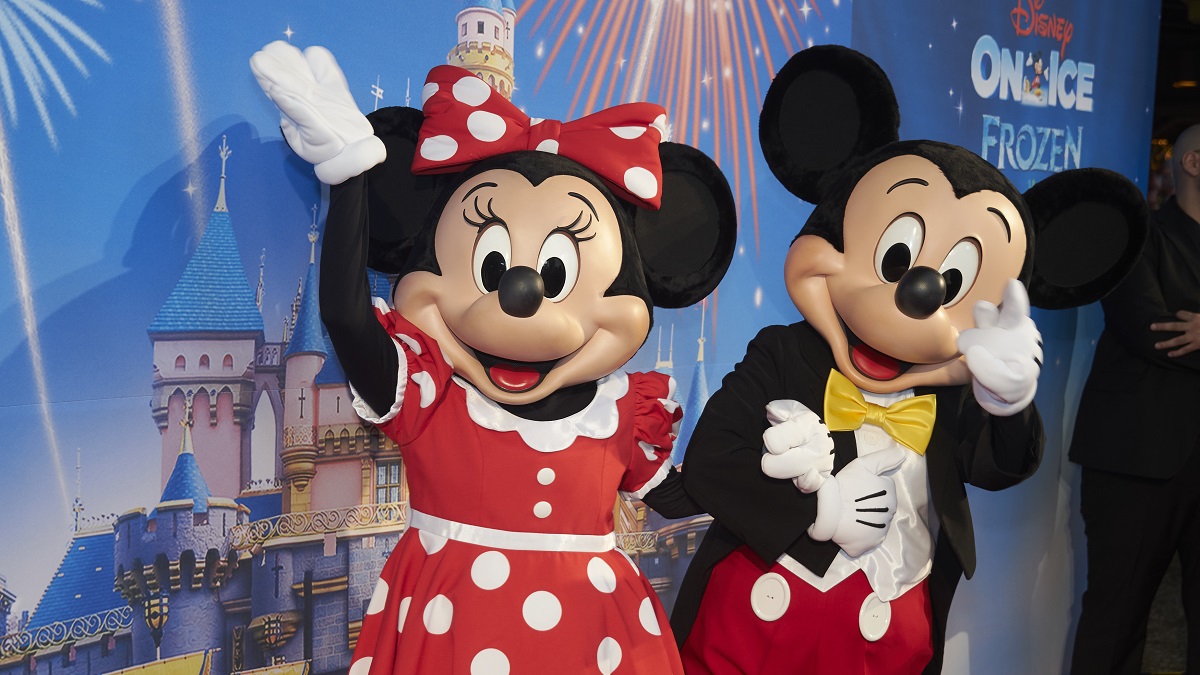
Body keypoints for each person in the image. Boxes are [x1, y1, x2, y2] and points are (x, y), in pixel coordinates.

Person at [1070, 123, 1200, 674]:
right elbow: (1156, 332)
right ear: (1195, 163)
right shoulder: (1137, 234)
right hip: (1135, 461)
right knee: (1117, 617)